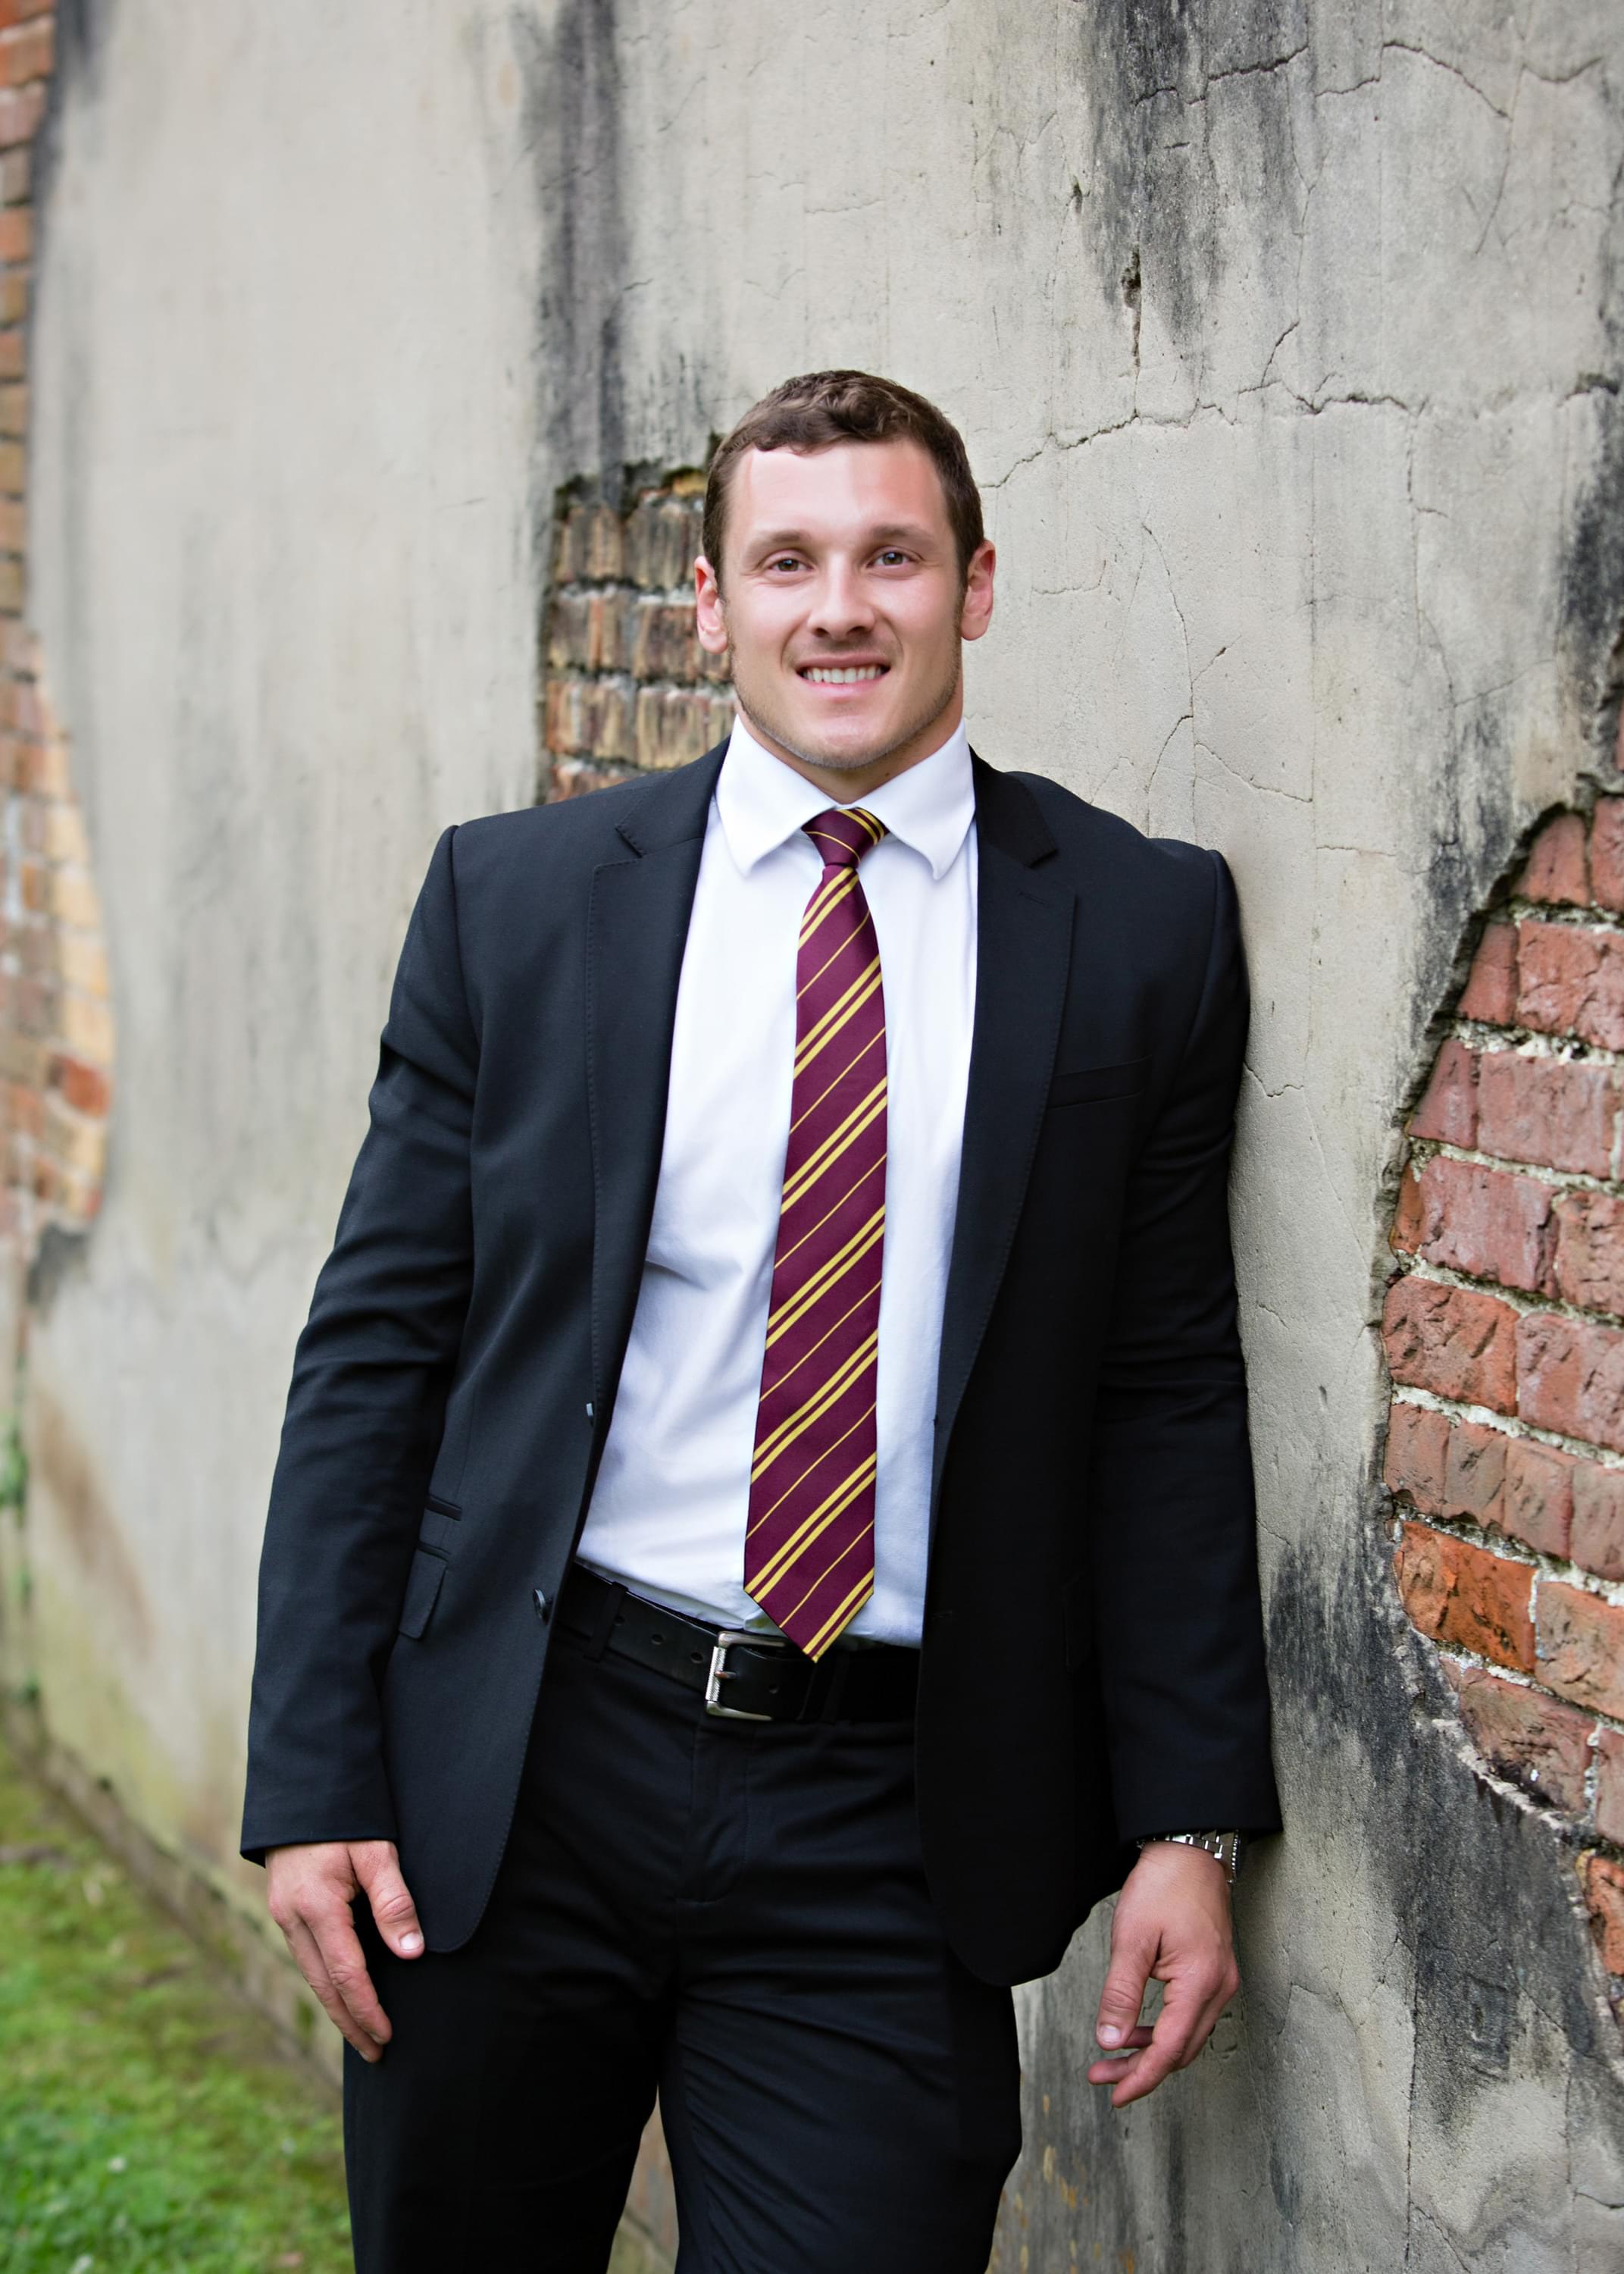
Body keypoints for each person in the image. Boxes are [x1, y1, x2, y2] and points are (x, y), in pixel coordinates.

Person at [242, 368, 1280, 2273]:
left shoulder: (1139, 928)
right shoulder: (518, 903)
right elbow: (377, 1352)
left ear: (976, 584)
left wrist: (1187, 1826)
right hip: (524, 1769)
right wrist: (311, 1782)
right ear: (711, 606)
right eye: (786, 563)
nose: (839, 610)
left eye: (892, 557)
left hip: (890, 1812)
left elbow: (1162, 1393)